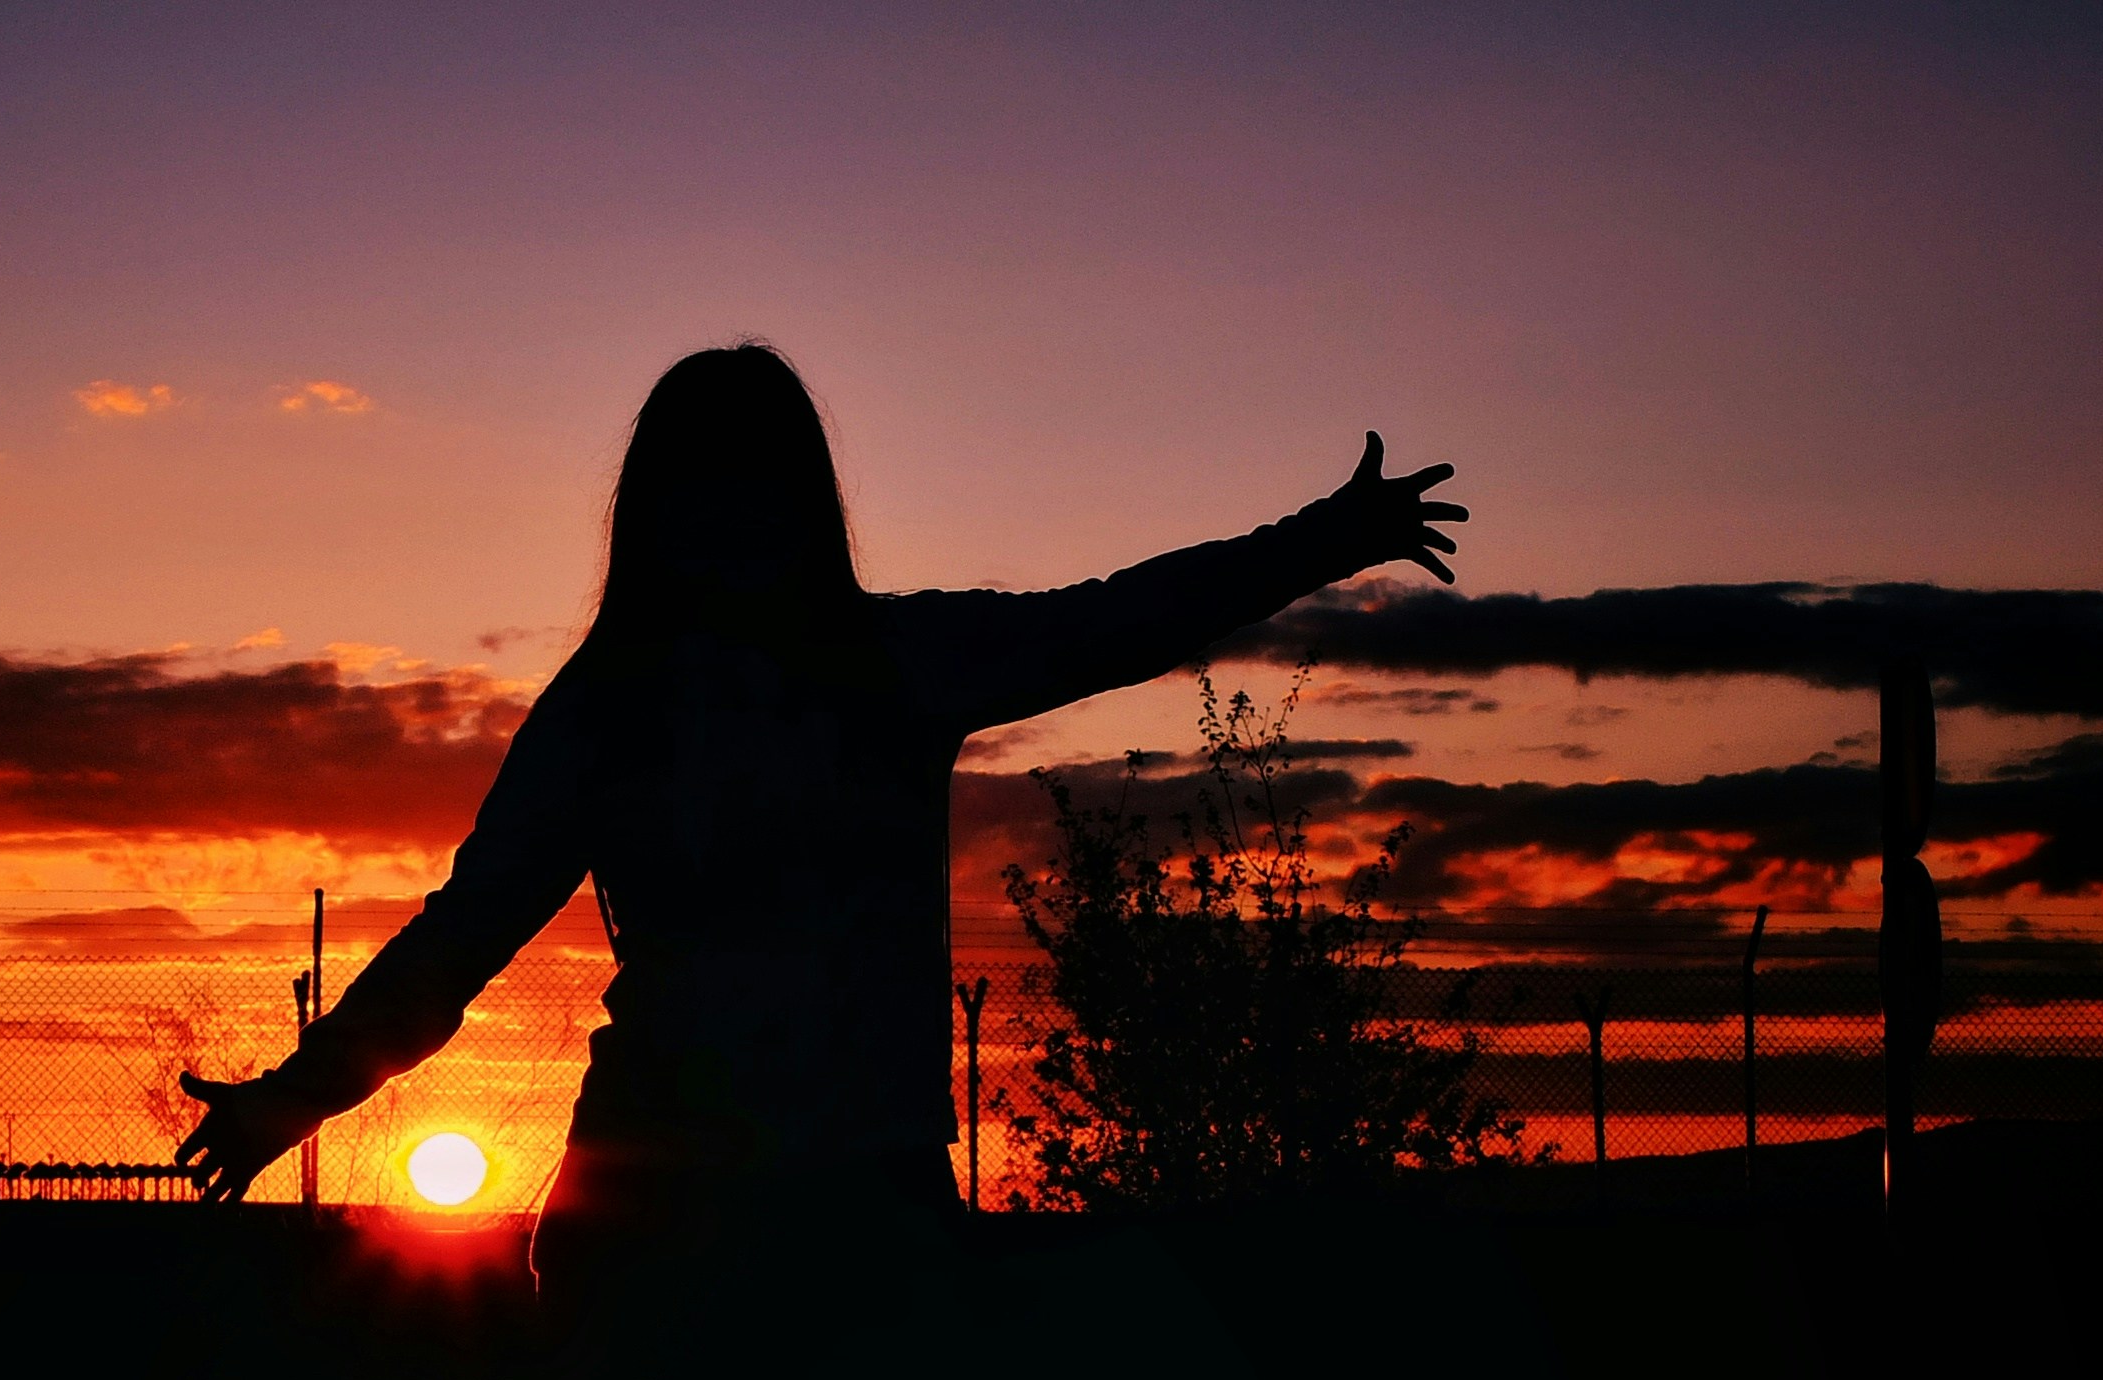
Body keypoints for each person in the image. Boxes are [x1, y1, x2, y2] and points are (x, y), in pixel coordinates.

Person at [177, 341, 1462, 1299]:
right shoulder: (826, 670)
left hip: (763, 1208)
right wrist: (293, 1097)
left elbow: (1121, 616)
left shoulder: (669, 690)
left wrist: (1322, 537)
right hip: (769, 1207)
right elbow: (463, 936)